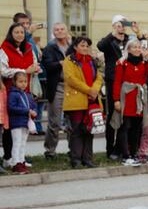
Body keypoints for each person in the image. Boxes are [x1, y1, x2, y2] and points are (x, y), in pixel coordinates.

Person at [97, 15, 144, 159]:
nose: (122, 27)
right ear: (114, 25)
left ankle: (125, 149)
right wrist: (113, 33)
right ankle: (110, 149)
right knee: (113, 116)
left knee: (130, 120)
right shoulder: (110, 40)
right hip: (114, 81)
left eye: (124, 24)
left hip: (130, 84)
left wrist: (138, 33)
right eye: (119, 24)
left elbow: (142, 49)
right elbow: (100, 46)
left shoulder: (130, 39)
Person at [2, 20, 41, 168]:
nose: (19, 35)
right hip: (9, 91)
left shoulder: (29, 47)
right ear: (11, 34)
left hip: (26, 90)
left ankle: (20, 158)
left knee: (23, 127)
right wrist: (24, 71)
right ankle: (8, 158)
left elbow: (34, 64)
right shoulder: (4, 49)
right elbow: (3, 71)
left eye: (22, 32)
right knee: (9, 127)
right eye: (16, 32)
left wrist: (35, 68)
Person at [62, 36, 104, 168]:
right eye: (82, 45)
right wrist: (89, 90)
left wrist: (95, 90)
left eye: (87, 46)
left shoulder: (92, 61)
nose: (85, 48)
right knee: (76, 130)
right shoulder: (69, 61)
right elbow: (71, 79)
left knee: (89, 130)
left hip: (91, 100)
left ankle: (88, 159)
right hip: (76, 101)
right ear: (75, 47)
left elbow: (98, 77)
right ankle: (76, 159)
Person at [112, 39, 148, 166]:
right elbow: (117, 82)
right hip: (126, 98)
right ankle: (125, 155)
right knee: (124, 127)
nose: (137, 49)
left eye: (139, 47)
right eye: (134, 47)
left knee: (136, 128)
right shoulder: (122, 63)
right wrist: (116, 100)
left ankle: (134, 154)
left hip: (138, 101)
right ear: (128, 49)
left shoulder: (143, 63)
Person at [41, 22, 70, 159]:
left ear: (66, 30)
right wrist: (60, 63)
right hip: (57, 86)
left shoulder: (72, 46)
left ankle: (74, 149)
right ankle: (50, 151)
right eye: (57, 29)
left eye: (62, 29)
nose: (59, 31)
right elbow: (47, 66)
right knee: (55, 122)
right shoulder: (49, 48)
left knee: (72, 121)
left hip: (72, 87)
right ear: (54, 32)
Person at [5, 71, 35, 174]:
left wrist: (33, 111)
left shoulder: (27, 94)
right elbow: (11, 108)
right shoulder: (13, 94)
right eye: (20, 81)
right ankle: (15, 163)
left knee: (23, 143)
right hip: (16, 123)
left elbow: (31, 105)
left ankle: (21, 161)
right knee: (17, 143)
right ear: (14, 82)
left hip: (25, 123)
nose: (23, 84)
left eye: (25, 81)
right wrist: (26, 111)